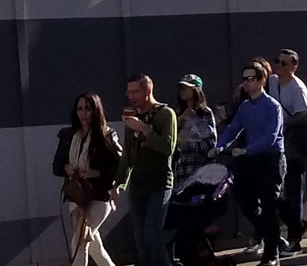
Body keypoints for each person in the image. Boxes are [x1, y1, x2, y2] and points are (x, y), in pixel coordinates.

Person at [210, 61, 286, 266]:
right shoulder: (245, 106)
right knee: (244, 198)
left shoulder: (272, 106)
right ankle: (268, 232)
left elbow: (271, 137)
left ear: (261, 81)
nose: (246, 83)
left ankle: (271, 256)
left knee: (270, 206)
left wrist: (245, 150)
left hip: (271, 159)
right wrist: (220, 146)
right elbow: (234, 128)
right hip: (251, 159)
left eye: (251, 79)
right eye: (244, 79)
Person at [52, 93, 124, 266]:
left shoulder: (106, 135)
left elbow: (121, 167)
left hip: (99, 196)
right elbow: (56, 166)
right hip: (77, 195)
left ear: (96, 111)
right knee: (92, 244)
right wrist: (66, 168)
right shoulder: (68, 135)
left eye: (88, 109)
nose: (83, 113)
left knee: (79, 240)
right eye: (80, 109)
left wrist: (95, 173)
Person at [114, 75, 178, 266]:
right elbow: (127, 151)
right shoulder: (132, 115)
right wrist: (119, 182)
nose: (131, 96)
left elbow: (168, 148)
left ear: (147, 91)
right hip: (138, 184)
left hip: (159, 183)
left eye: (135, 92)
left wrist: (143, 129)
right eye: (129, 92)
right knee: (141, 241)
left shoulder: (166, 114)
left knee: (152, 235)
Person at [268, 48, 307, 254]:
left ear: (294, 67)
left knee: (293, 194)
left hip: (293, 148)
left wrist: (283, 122)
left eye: (284, 63)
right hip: (276, 147)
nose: (279, 66)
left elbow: (305, 115)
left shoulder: (297, 87)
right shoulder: (273, 81)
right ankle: (297, 224)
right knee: (275, 195)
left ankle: (295, 239)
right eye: (277, 61)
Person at [174, 74, 216, 185]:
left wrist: (189, 145)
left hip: (199, 169)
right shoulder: (177, 114)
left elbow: (211, 142)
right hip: (180, 170)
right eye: (181, 88)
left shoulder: (205, 113)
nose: (182, 91)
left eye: (186, 88)